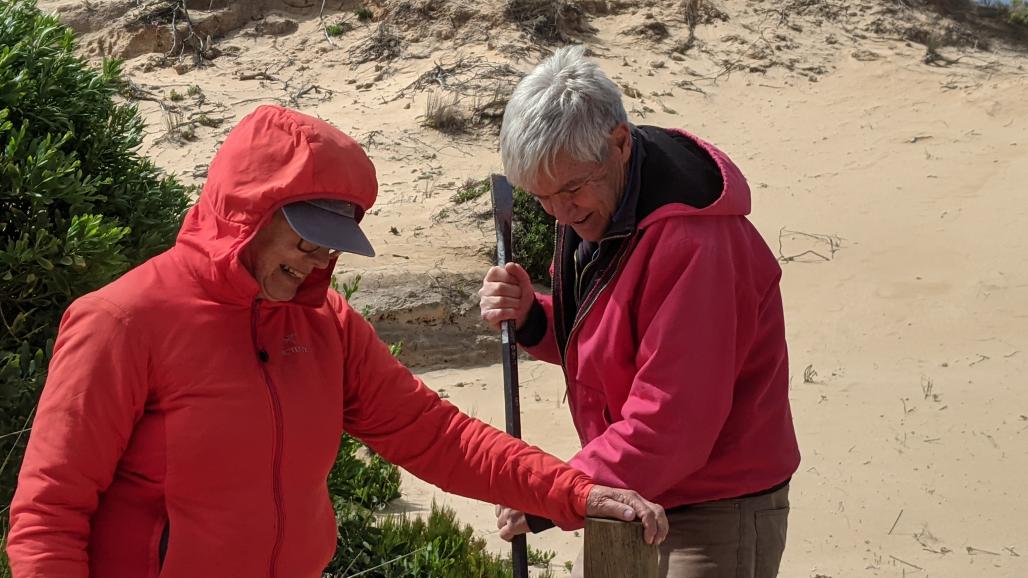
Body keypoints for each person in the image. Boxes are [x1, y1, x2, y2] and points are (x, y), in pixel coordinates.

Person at [6, 104, 668, 578]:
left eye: (335, 239)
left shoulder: (326, 327)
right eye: (303, 234)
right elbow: (47, 519)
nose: (318, 256)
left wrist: (572, 491)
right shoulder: (121, 322)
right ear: (245, 213)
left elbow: (439, 438)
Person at [478, 46, 801, 577]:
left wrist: (555, 492)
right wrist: (536, 319)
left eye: (571, 190)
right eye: (541, 198)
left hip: (715, 505)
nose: (561, 212)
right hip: (633, 492)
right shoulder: (597, 204)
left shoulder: (695, 242)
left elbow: (671, 422)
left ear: (620, 144)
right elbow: (615, 339)